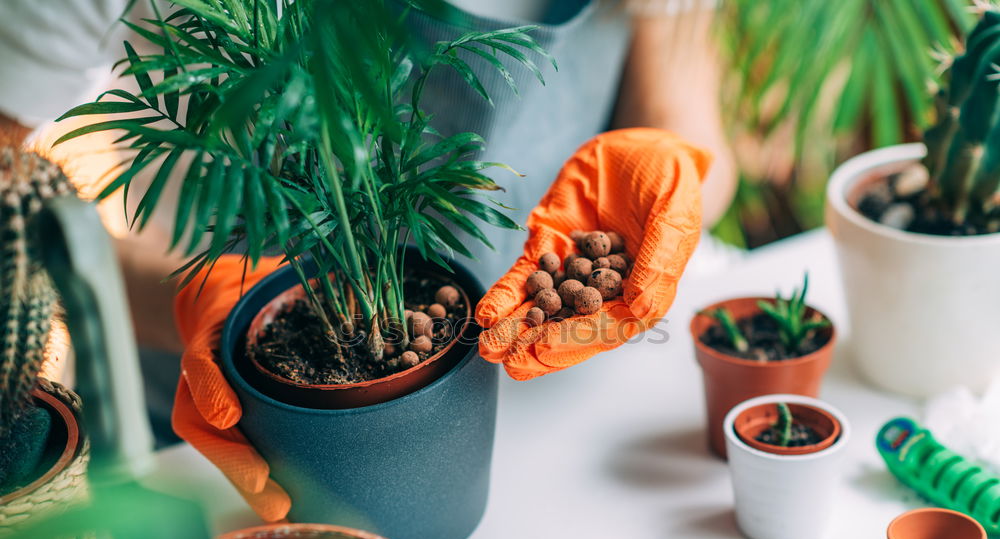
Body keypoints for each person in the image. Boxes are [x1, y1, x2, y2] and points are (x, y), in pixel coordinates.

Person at [0, 0, 736, 443]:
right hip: (217, 421)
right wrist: (178, 300)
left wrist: (672, 166)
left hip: (553, 417)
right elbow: (11, 216)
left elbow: (679, 100)